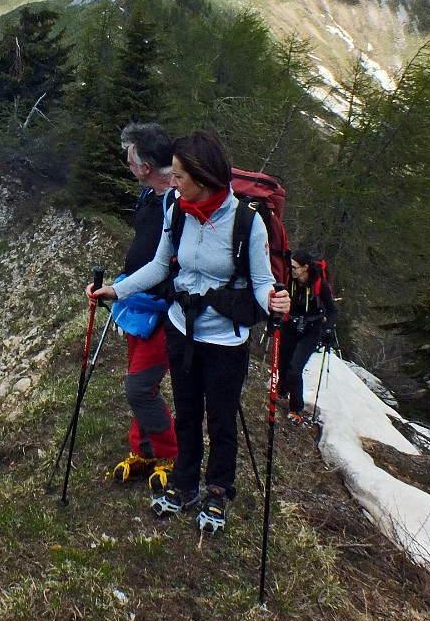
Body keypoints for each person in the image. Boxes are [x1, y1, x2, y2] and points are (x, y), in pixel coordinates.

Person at [90, 130, 290, 532]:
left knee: (220, 420)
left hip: (224, 340)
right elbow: (161, 267)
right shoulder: (177, 211)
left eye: (180, 176)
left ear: (201, 178)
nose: (173, 182)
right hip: (181, 329)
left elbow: (261, 280)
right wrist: (115, 290)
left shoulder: (246, 223)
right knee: (186, 414)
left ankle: (217, 490)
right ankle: (184, 486)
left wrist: (274, 300)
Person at [108, 123, 179, 491]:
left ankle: (171, 455)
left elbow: (163, 265)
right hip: (139, 307)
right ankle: (144, 450)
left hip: (166, 311)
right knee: (139, 384)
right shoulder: (150, 195)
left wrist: (117, 292)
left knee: (139, 387)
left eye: (130, 156)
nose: (127, 163)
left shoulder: (175, 200)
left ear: (146, 166)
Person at [279, 249, 337, 424]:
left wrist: (327, 329)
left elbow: (332, 311)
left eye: (295, 267)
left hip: (311, 331)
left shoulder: (321, 286)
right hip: (290, 326)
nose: (292, 269)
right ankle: (283, 390)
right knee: (284, 363)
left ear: (305, 268)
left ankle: (296, 408)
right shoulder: (290, 281)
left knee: (295, 369)